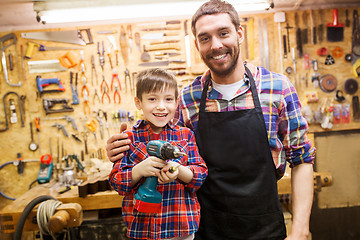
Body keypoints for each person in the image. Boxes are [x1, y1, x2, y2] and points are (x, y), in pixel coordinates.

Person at [107, 0, 315, 239]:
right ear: (197, 44)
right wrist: (121, 147)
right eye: (205, 38)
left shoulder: (277, 88)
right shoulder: (187, 98)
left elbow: (301, 159)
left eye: (223, 33)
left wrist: (300, 230)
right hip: (206, 229)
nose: (216, 45)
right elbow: (158, 143)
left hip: (264, 227)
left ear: (239, 34)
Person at [108, 68, 208, 240]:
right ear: (138, 102)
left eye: (168, 99)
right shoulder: (128, 138)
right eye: (152, 99)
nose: (161, 106)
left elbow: (199, 176)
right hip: (143, 229)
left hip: (180, 227)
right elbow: (117, 183)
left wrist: (178, 170)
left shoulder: (185, 135)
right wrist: (139, 170)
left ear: (176, 102)